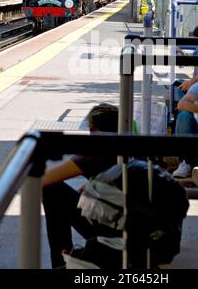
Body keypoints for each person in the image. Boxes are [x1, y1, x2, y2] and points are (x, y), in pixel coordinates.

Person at [42, 103, 119, 269]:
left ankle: (60, 262)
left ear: (95, 130)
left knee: (52, 191)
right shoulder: (129, 145)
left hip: (114, 230)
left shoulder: (94, 153)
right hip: (141, 229)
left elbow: (46, 179)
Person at [172, 25, 198, 178]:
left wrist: (192, 82)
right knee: (178, 87)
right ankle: (185, 162)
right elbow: (191, 63)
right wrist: (180, 53)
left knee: (183, 114)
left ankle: (186, 162)